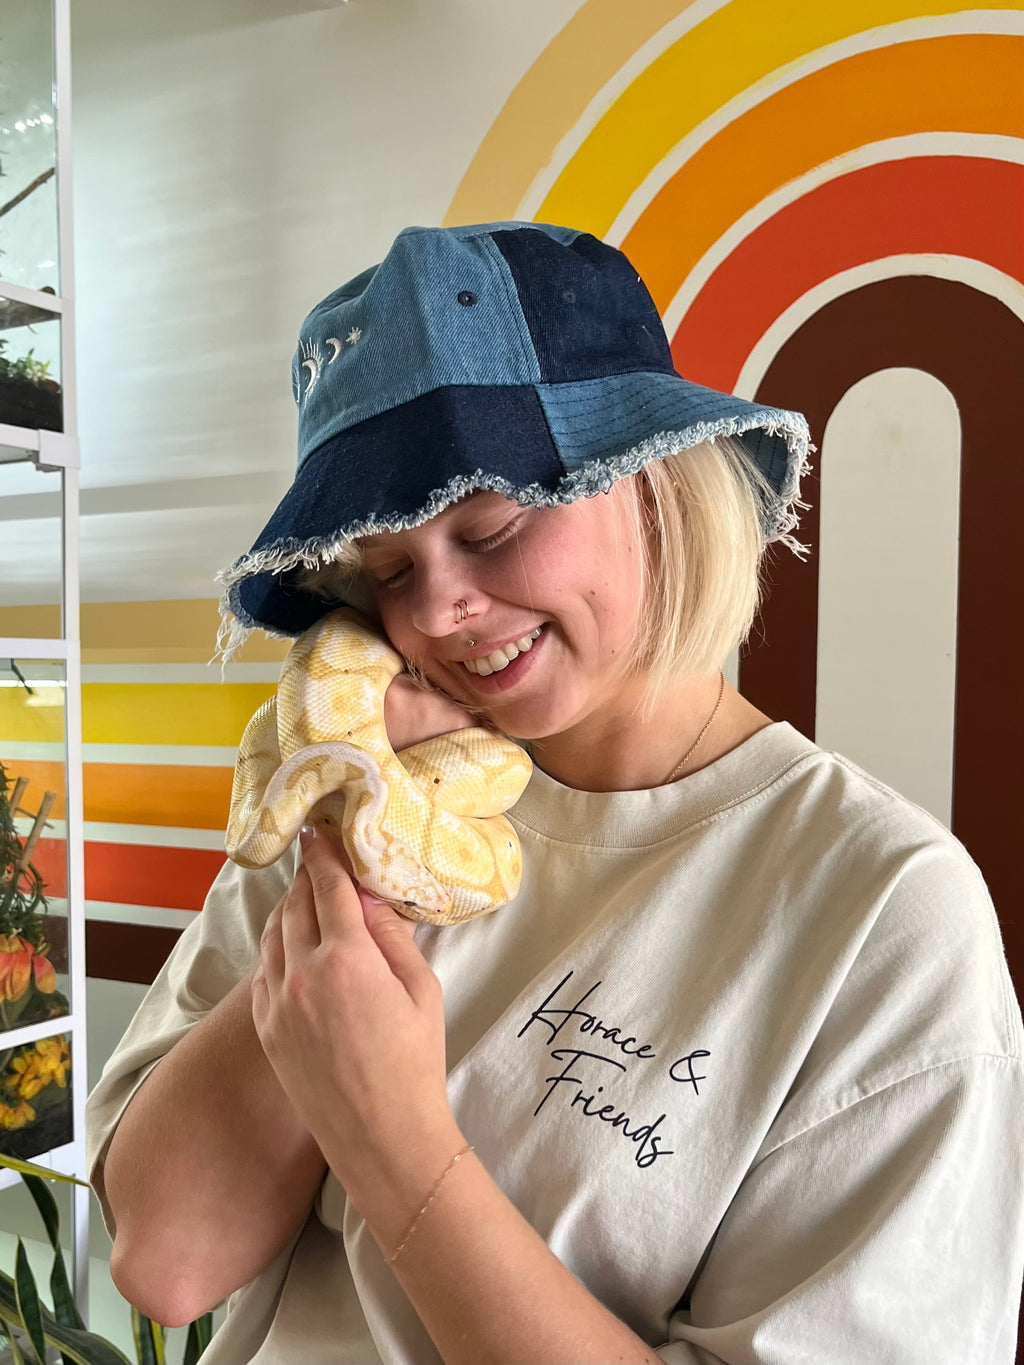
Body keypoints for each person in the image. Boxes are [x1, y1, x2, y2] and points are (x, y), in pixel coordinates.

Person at [85, 223, 1024, 1365]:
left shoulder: (881, 912)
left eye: (492, 526)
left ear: (655, 486)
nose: (435, 614)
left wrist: (392, 1141)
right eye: (389, 571)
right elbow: (166, 1260)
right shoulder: (355, 784)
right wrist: (365, 865)